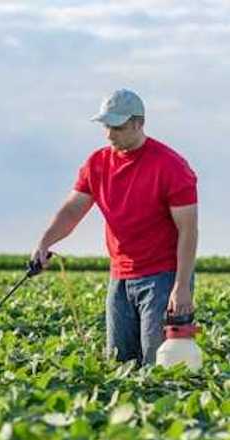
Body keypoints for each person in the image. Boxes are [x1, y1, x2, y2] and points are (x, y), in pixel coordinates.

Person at [32, 89, 198, 365]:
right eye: (106, 126)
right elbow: (73, 209)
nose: (110, 134)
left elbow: (188, 231)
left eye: (118, 127)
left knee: (156, 364)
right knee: (120, 363)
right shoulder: (97, 164)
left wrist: (181, 286)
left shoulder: (171, 167)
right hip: (119, 277)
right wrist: (45, 243)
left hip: (163, 276)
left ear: (138, 123)